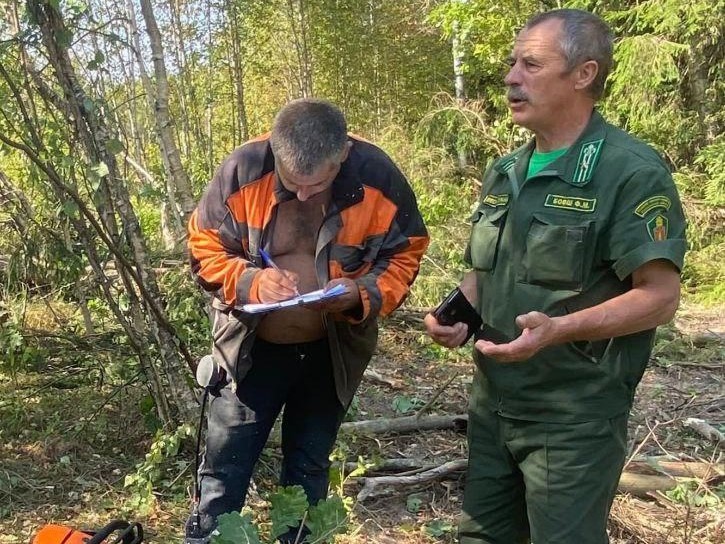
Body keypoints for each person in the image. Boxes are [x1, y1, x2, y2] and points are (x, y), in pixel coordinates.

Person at [424, 9, 686, 544]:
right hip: (493, 404)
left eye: (531, 63)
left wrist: (559, 330)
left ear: (583, 74)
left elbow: (659, 298)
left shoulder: (629, 171)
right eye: (512, 62)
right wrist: (458, 312)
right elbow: (488, 271)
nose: (511, 77)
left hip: (573, 417)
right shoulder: (505, 171)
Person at [185, 98, 429, 543]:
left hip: (331, 351)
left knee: (308, 466)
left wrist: (362, 294)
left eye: (315, 184)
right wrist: (250, 281)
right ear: (276, 151)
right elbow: (203, 246)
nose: (301, 195)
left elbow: (407, 250)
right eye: (291, 181)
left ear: (342, 157)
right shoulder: (244, 169)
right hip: (249, 351)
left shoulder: (377, 175)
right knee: (224, 466)